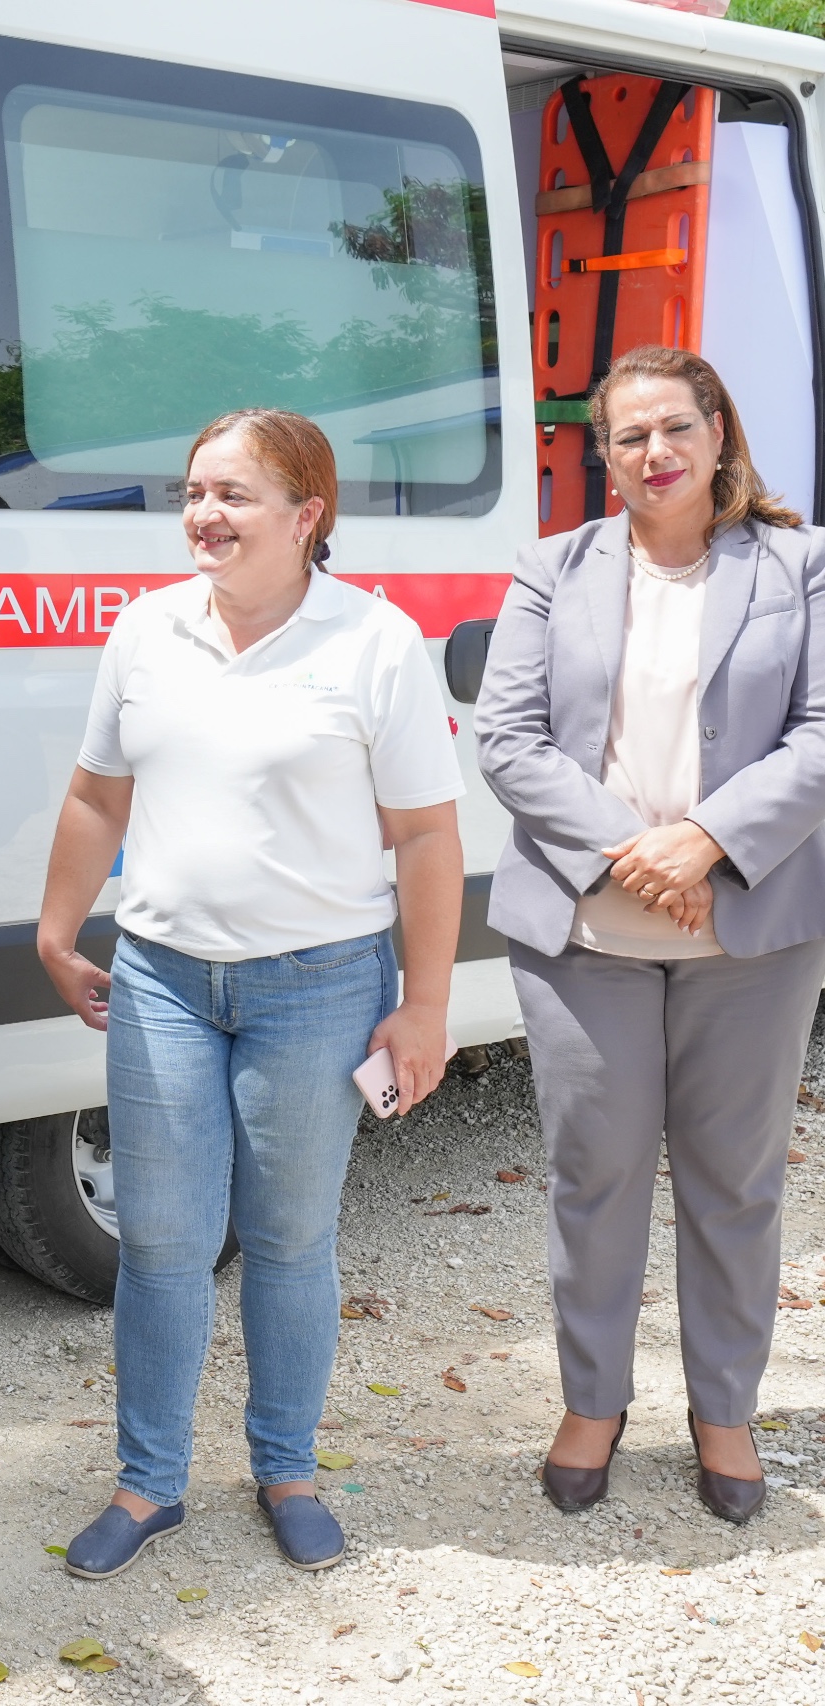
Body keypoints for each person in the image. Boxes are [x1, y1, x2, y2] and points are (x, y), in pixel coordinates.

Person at [36, 409, 463, 1579]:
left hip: (318, 986)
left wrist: (423, 1003)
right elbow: (94, 794)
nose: (203, 515)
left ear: (306, 513)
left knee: (286, 1237)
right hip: (164, 978)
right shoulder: (146, 628)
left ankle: (286, 1467)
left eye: (232, 494)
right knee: (163, 1243)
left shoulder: (374, 640)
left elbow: (426, 837)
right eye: (193, 492)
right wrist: (54, 925)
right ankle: (146, 1482)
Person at [478, 345, 825, 1526]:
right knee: (597, 1174)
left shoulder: (798, 564)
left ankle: (721, 1409)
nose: (654, 453)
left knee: (733, 1184)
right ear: (603, 456)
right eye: (627, 436)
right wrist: (642, 850)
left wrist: (708, 842)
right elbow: (509, 740)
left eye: (674, 427)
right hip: (587, 930)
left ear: (717, 432)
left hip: (752, 931)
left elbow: (822, 731)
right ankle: (593, 1401)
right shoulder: (552, 568)